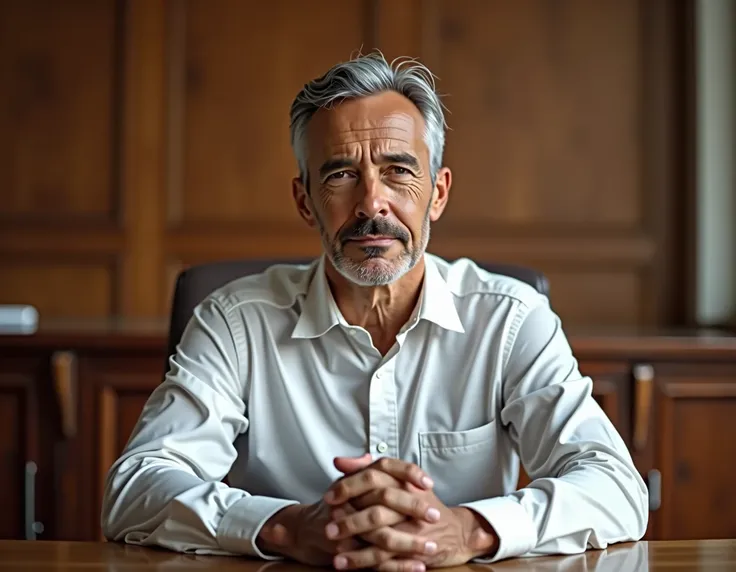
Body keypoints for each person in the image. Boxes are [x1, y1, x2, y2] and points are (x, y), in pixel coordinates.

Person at [101, 52, 648, 570]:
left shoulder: (508, 320)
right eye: (340, 174)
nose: (371, 204)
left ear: (437, 192)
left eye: (398, 171)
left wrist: (468, 529)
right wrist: (286, 528)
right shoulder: (234, 321)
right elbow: (136, 488)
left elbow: (616, 487)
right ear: (304, 200)